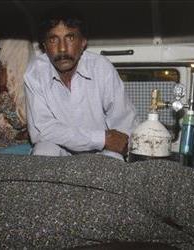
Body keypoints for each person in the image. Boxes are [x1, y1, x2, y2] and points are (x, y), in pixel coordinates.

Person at [24, 7, 138, 160]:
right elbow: (43, 131)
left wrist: (110, 143)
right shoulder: (35, 73)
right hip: (62, 150)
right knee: (44, 150)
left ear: (83, 42)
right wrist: (102, 139)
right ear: (44, 45)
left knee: (114, 156)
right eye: (53, 39)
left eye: (70, 38)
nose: (62, 48)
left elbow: (124, 125)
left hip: (102, 152)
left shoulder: (101, 68)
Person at [0, 39, 33, 147]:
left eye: (2, 52)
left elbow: (17, 121)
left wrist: (2, 89)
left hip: (17, 151)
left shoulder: (32, 84)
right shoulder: (1, 77)